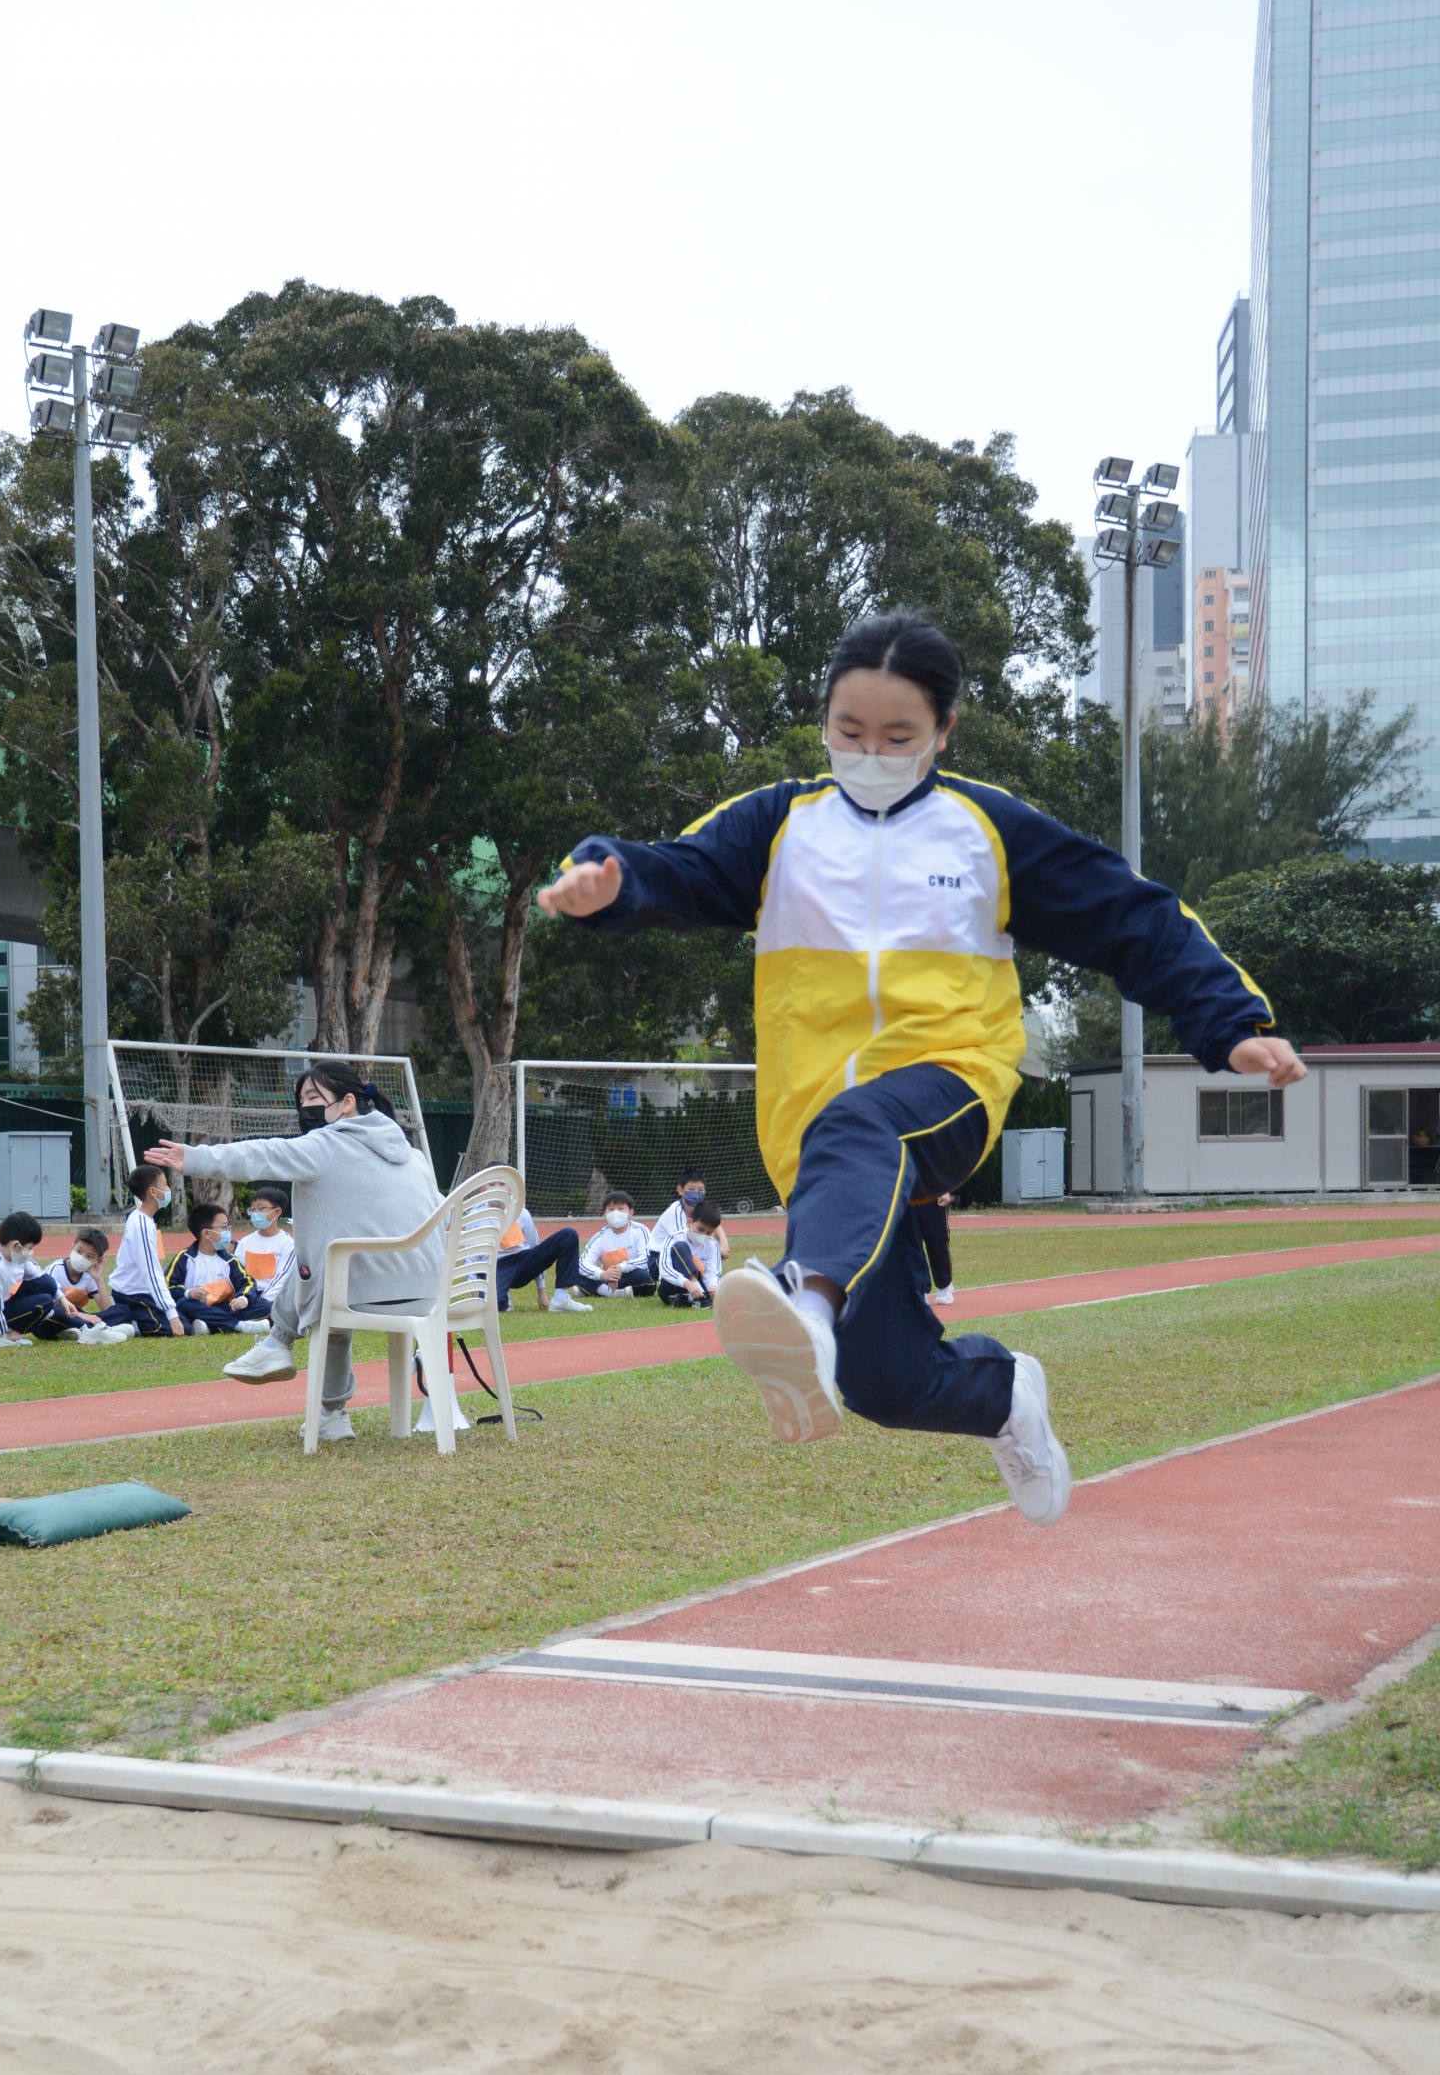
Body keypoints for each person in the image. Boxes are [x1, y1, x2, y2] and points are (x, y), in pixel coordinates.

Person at [537, 610, 1306, 1525]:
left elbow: (1130, 916)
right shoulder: (780, 826)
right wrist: (608, 881)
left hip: (953, 1079)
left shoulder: (986, 829)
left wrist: (1228, 1023)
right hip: (815, 1137)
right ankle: (1004, 1395)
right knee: (884, 1380)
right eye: (849, 731)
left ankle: (805, 1305)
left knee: (863, 1123)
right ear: (825, 721)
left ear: (944, 731)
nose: (870, 753)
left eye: (898, 736)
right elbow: (674, 867)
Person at [147, 1062, 440, 1444]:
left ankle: (279, 1344)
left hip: (363, 1290)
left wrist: (196, 1157)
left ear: (348, 1102)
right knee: (327, 1282)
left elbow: (261, 1154)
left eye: (314, 1097)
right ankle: (324, 1407)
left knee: (323, 1284)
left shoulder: (324, 1145)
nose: (306, 1107)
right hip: (428, 1293)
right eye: (301, 1100)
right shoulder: (413, 1156)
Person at [0, 1213, 84, 1344]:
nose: (31, 1252)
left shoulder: (14, 1256)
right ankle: (3, 1337)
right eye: (30, 1248)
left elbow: (40, 1275)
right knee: (43, 1303)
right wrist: (1, 1333)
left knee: (46, 1283)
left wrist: (61, 1298)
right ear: (16, 1245)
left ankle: (57, 1325)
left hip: (5, 1303)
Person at [98, 1164, 185, 1337]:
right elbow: (150, 1272)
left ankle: (127, 1318)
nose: (169, 1189)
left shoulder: (141, 1219)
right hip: (133, 1295)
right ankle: (130, 1322)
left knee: (184, 1321)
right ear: (153, 1192)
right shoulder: (141, 1224)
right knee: (170, 1328)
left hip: (141, 1293)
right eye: (165, 1184)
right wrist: (171, 1313)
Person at [165, 1202, 264, 1334]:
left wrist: (242, 1299)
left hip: (225, 1306)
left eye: (228, 1227)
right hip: (197, 1306)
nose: (228, 1232)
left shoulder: (229, 1259)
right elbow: (167, 1288)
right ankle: (238, 1326)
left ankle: (210, 1326)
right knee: (183, 1304)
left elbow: (247, 1283)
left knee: (264, 1306)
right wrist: (189, 1293)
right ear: (206, 1233)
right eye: (224, 1228)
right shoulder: (185, 1258)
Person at [493, 1200, 591, 1313]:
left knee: (568, 1235)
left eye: (504, 1186)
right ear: (482, 1190)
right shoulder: (478, 1214)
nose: (498, 1190)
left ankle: (561, 1299)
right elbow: (476, 1258)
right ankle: (503, 1295)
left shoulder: (521, 1213)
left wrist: (541, 1292)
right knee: (497, 1305)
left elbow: (534, 1248)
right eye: (491, 1186)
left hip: (523, 1262)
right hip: (497, 1266)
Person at [647, 1170, 729, 1283]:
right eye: (691, 1189)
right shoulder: (674, 1212)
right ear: (680, 1190)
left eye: (700, 1190)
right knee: (690, 1253)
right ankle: (696, 1283)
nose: (696, 1193)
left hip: (680, 1255)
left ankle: (707, 1281)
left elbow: (712, 1224)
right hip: (658, 1259)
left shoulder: (701, 1209)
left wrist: (723, 1243)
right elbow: (680, 1246)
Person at [233, 1186, 295, 1331]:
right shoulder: (245, 1242)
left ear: (277, 1212)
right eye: (253, 1209)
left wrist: (258, 1300)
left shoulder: (288, 1244)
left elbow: (282, 1279)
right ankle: (248, 1324)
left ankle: (230, 1322)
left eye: (261, 1208)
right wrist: (243, 1297)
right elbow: (236, 1274)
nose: (256, 1213)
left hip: (270, 1299)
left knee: (270, 1309)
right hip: (246, 1296)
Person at [577, 1191, 655, 1299]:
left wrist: (621, 1268)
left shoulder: (640, 1231)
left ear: (630, 1212)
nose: (615, 1213)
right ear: (604, 1213)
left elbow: (647, 1259)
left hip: (629, 1276)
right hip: (606, 1278)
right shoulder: (600, 1237)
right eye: (611, 1209)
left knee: (644, 1278)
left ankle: (593, 1290)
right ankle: (614, 1293)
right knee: (576, 1270)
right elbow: (583, 1263)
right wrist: (603, 1274)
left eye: (620, 1208)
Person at [658, 1196, 725, 1308]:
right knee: (680, 1247)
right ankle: (701, 1298)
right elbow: (665, 1268)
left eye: (709, 1233)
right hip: (676, 1283)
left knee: (722, 1285)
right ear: (689, 1222)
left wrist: (713, 1287)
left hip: (701, 1283)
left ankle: (688, 1299)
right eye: (700, 1229)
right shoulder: (674, 1238)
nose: (703, 1235)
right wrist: (687, 1283)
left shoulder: (712, 1244)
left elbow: (712, 1272)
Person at [913, 1189, 956, 1307]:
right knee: (912, 1241)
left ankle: (944, 1284)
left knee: (936, 1238)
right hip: (906, 1189)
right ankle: (920, 1287)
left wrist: (943, 1189)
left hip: (930, 1190)